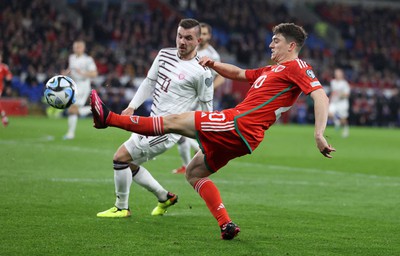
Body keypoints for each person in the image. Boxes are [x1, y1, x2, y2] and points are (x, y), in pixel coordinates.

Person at [90, 23, 335, 240]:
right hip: (245, 138)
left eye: (276, 41)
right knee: (194, 174)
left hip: (238, 124)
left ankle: (108, 118)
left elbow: (320, 95)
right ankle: (226, 224)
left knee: (173, 121)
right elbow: (239, 74)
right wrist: (214, 63)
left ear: (291, 45)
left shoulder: (299, 67)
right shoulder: (271, 71)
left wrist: (318, 133)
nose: (271, 44)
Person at [95, 18, 214, 218]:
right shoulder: (164, 54)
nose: (182, 41)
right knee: (129, 164)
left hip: (167, 131)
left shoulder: (202, 72)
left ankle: (122, 207)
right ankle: (164, 197)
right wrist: (132, 106)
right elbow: (149, 82)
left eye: (188, 38)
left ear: (198, 40)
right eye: (179, 36)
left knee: (120, 158)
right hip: (149, 122)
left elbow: (206, 110)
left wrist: (207, 141)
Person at [173, 22, 225, 174]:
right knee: (182, 129)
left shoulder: (212, 55)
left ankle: (210, 152)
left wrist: (208, 89)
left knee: (185, 128)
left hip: (199, 98)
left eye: (204, 33)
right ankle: (189, 163)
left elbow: (221, 77)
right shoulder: (190, 49)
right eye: (199, 33)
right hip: (186, 95)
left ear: (208, 36)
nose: (202, 36)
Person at [62, 40, 98, 140]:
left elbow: (94, 74)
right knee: (72, 110)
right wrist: (65, 73)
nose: (77, 49)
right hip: (74, 85)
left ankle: (70, 134)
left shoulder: (88, 60)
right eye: (75, 47)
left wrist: (82, 73)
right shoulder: (72, 57)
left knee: (72, 109)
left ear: (83, 48)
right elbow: (70, 69)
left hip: (83, 86)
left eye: (79, 47)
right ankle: (92, 109)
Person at [328, 68, 350, 137]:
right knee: (329, 113)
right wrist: (329, 99)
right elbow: (332, 92)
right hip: (334, 102)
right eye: (336, 73)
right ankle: (337, 121)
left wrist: (340, 95)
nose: (337, 75)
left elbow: (347, 94)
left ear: (341, 74)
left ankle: (345, 129)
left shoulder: (344, 83)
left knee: (343, 119)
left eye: (338, 73)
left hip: (342, 103)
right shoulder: (333, 82)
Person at [0, 53, 13, 127]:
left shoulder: (4, 67)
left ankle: (4, 116)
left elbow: (9, 75)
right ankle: (4, 116)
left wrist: (8, 77)